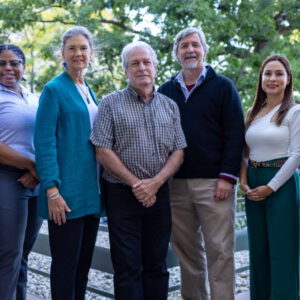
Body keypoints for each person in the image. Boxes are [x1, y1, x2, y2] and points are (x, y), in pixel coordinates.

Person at [90, 41, 186, 300]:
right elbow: (102, 150)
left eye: (146, 62)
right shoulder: (110, 103)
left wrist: (155, 183)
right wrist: (137, 184)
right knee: (127, 267)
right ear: (125, 71)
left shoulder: (169, 105)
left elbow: (179, 151)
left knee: (157, 265)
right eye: (135, 63)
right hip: (121, 195)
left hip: (160, 194)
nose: (141, 67)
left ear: (155, 67)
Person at [158, 27, 245, 300]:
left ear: (204, 50)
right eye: (183, 45)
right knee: (188, 254)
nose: (190, 50)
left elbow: (235, 133)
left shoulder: (223, 87)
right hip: (176, 186)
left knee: (220, 251)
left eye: (195, 44)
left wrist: (227, 177)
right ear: (176, 54)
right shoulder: (165, 91)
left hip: (214, 183)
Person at [34, 26, 104, 300]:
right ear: (62, 54)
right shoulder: (53, 89)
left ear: (91, 54)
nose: (78, 53)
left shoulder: (88, 90)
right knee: (65, 267)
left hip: (90, 193)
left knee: (83, 266)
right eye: (72, 48)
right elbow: (44, 143)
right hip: (65, 194)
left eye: (83, 48)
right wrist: (52, 190)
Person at [239, 54, 300, 300]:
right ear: (261, 79)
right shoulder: (252, 112)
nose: (272, 78)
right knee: (259, 250)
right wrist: (243, 181)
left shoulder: (295, 112)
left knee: (283, 252)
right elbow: (244, 152)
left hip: (281, 184)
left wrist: (270, 187)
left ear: (287, 80)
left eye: (278, 74)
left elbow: (297, 156)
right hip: (253, 183)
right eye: (267, 73)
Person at [0, 44, 43, 300]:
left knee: (24, 254)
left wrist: (37, 170)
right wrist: (30, 164)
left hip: (35, 180)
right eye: (2, 63)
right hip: (7, 178)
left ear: (23, 68)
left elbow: (49, 136)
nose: (8, 68)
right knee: (8, 254)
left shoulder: (35, 97)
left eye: (14, 63)